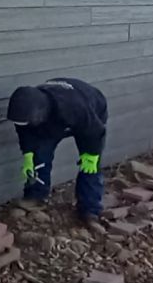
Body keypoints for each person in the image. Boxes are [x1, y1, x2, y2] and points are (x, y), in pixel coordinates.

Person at [7, 77, 108, 221]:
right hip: (51, 119)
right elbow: (25, 131)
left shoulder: (74, 108)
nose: (23, 124)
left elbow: (96, 131)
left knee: (89, 166)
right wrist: (28, 154)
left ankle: (90, 208)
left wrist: (92, 156)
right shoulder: (25, 108)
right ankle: (36, 196)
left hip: (90, 114)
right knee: (39, 154)